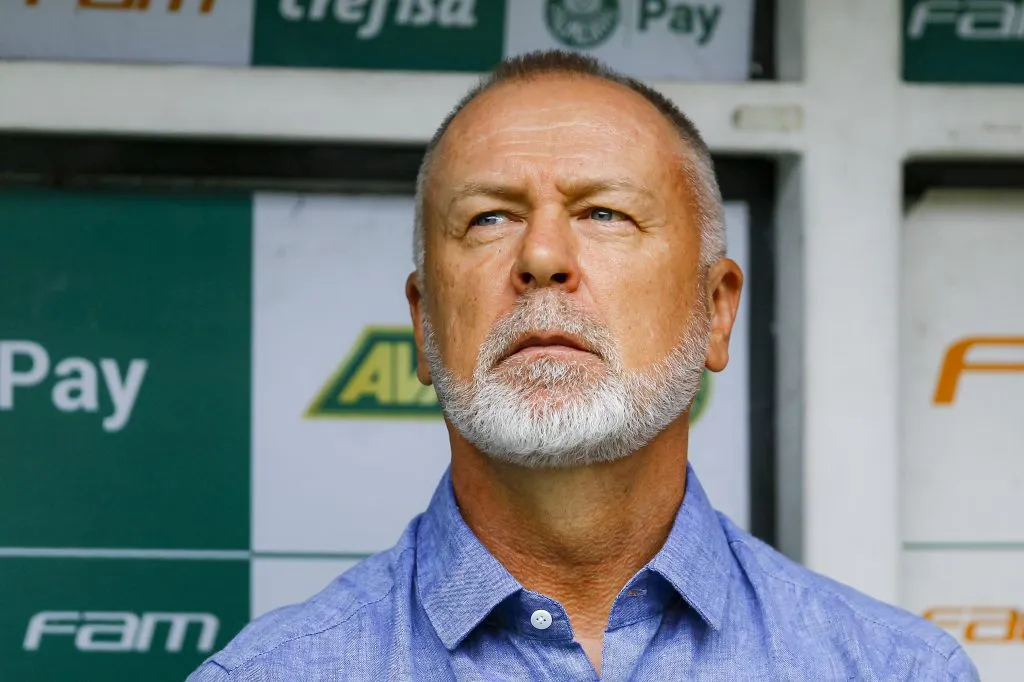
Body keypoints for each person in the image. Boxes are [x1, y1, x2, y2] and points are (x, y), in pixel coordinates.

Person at [188, 50, 978, 681]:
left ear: (718, 309)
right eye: (489, 217)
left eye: (605, 213)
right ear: (424, 321)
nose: (540, 256)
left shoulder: (895, 670)